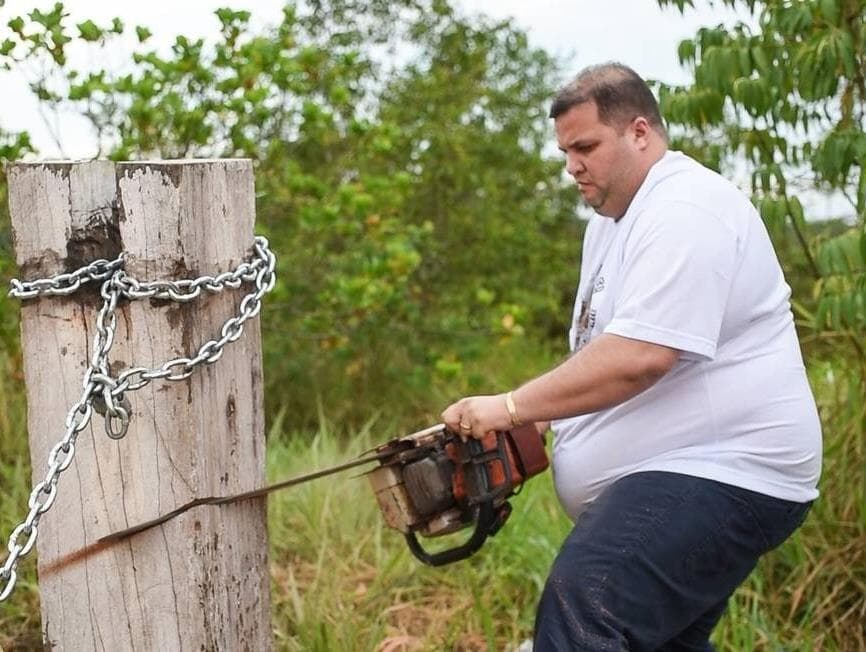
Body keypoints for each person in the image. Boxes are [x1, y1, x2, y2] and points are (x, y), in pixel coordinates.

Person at [441, 62, 822, 651]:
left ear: (639, 132)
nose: (573, 165)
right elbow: (598, 355)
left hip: (729, 470)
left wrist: (510, 406)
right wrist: (538, 420)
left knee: (585, 604)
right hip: (685, 472)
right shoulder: (611, 224)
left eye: (586, 146)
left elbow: (642, 355)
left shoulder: (687, 209)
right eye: (566, 151)